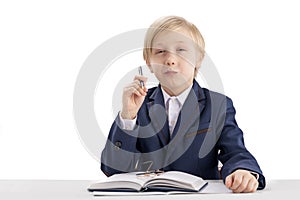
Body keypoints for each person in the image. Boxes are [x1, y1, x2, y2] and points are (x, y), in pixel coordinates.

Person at [101, 16, 266, 193]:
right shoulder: (138, 104)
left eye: (181, 50)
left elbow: (235, 151)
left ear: (198, 59)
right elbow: (113, 169)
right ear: (148, 62)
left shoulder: (218, 105)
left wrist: (242, 171)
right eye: (160, 52)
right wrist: (128, 117)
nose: (170, 60)